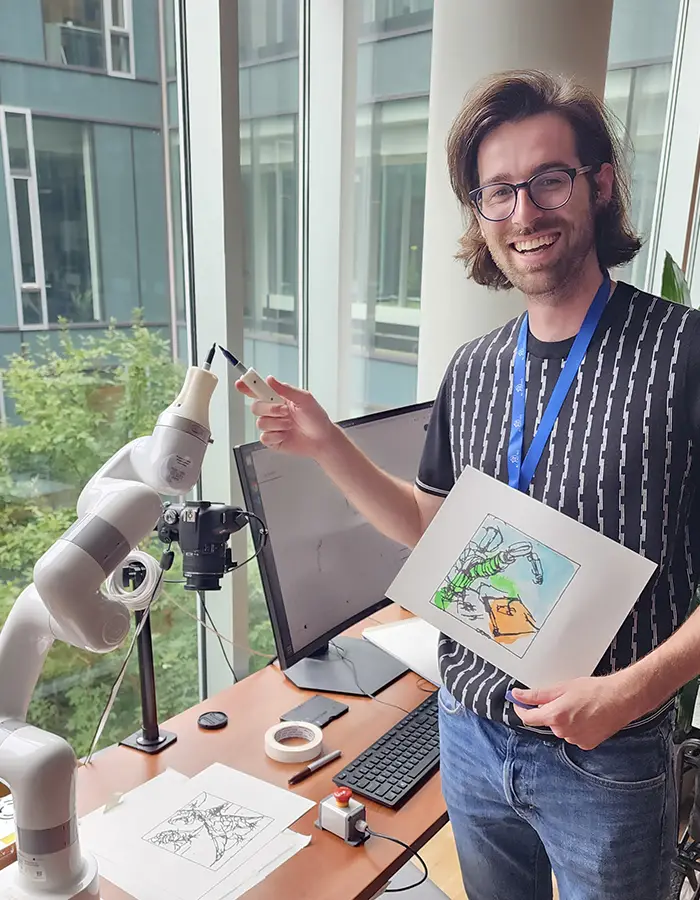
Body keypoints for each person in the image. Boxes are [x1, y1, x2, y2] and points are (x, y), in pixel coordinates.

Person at [236, 70, 700, 900]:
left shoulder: (683, 355)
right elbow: (434, 531)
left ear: (598, 184)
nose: (524, 212)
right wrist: (327, 445)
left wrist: (626, 695)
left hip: (607, 753)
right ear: (481, 216)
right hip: (469, 732)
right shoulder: (476, 370)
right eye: (498, 192)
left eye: (547, 180)